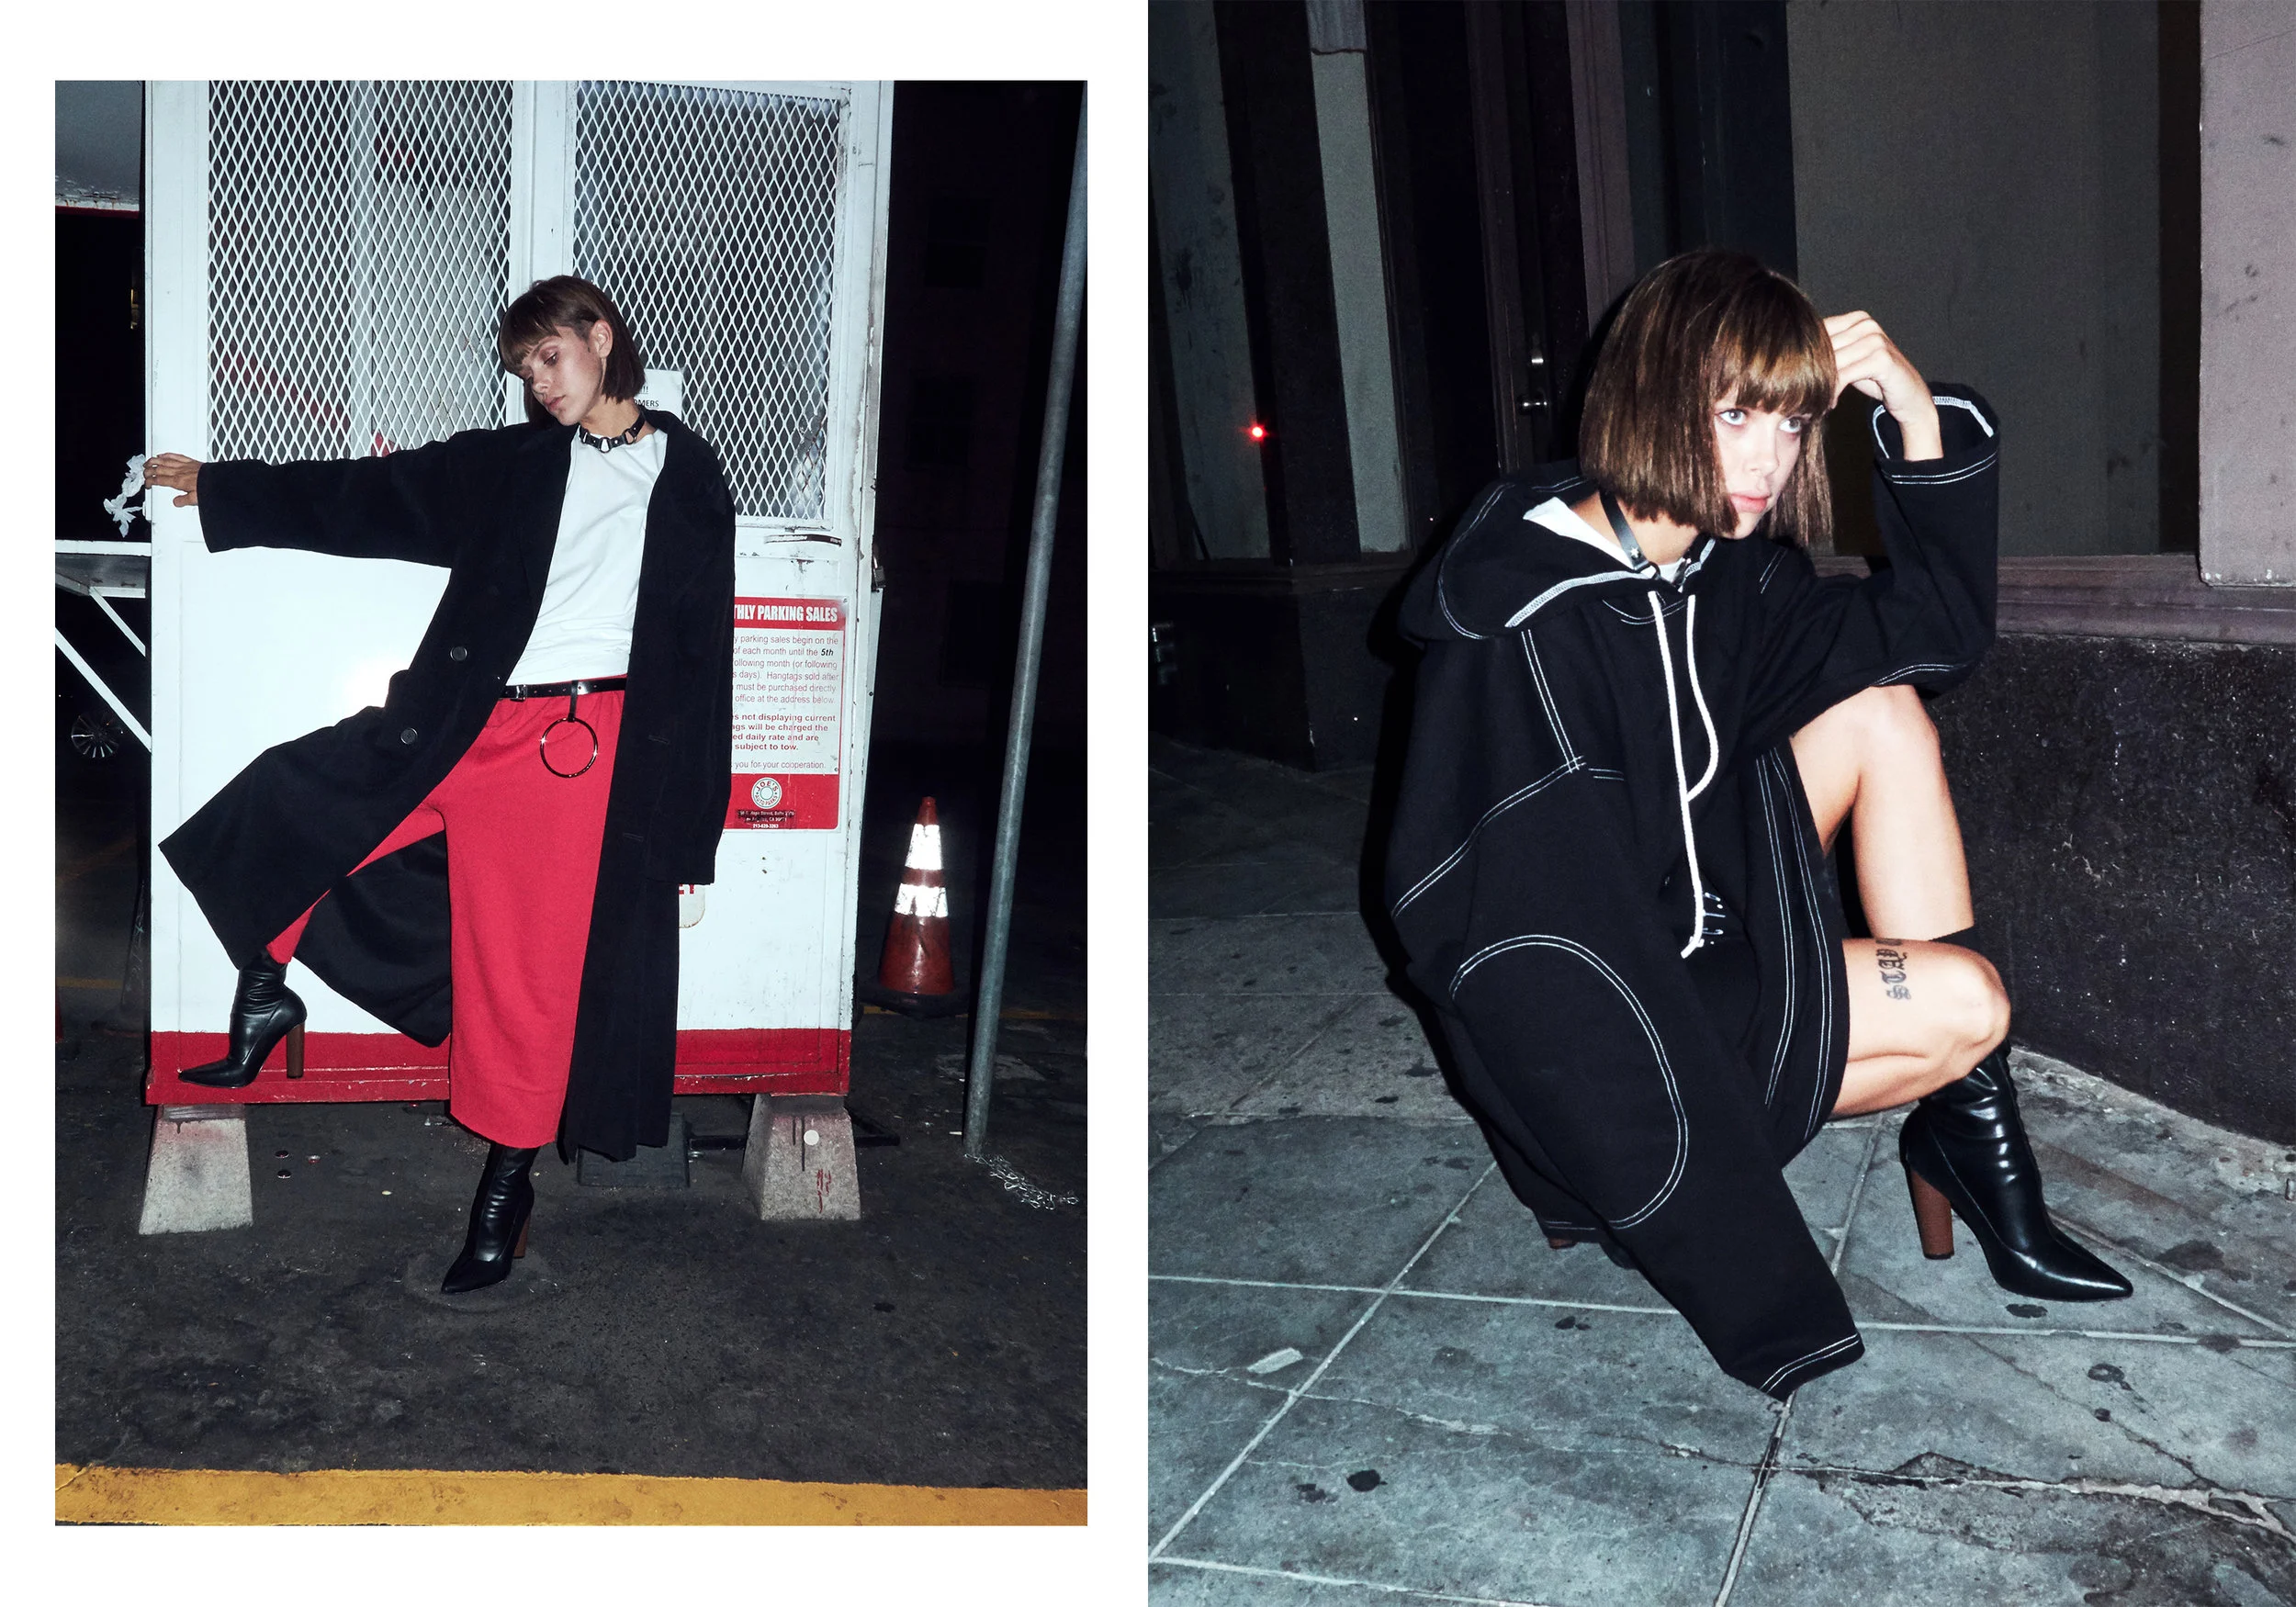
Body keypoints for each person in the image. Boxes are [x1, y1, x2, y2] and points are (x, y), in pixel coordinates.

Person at [1384, 248, 2129, 1401]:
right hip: (1608, 1051)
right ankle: (1964, 1140)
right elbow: (1533, 964)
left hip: (1702, 942)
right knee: (1968, 1006)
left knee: (1883, 706)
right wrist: (1739, 1263)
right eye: (1735, 413)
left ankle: (1979, 1154)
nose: (1768, 460)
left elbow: (1932, 634)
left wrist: (1913, 411)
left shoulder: (1715, 574)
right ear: (1650, 397)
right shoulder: (1525, 628)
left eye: (1791, 424)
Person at [143, 275, 735, 1295]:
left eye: (550, 357)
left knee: (525, 982)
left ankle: (505, 1188)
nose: (539, 384)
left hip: (578, 751)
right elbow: (370, 496)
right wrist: (223, 486)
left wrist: (688, 835)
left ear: (601, 335)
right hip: (463, 720)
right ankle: (264, 992)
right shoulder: (513, 462)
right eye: (524, 369)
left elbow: (703, 657)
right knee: (292, 799)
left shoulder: (684, 473)